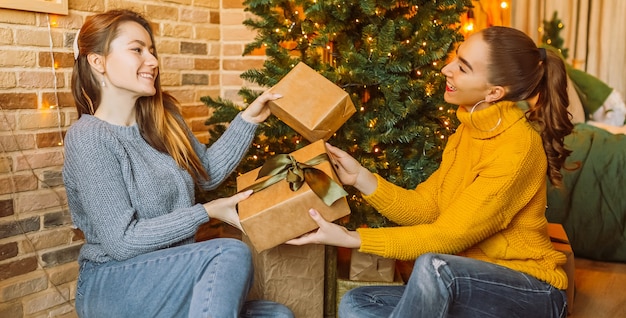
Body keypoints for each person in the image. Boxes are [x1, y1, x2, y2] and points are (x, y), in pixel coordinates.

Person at [287, 26, 574, 317]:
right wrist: (360, 178)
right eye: (455, 58)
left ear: (494, 92)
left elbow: (446, 237)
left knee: (436, 266)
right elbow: (428, 208)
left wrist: (353, 239)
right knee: (359, 301)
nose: (446, 69)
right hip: (466, 285)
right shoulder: (467, 132)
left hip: (531, 292)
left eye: (462, 68)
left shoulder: (518, 147)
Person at [63, 9, 293, 318]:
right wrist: (206, 212)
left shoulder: (162, 118)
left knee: (277, 315)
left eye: (152, 51)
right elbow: (121, 242)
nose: (153, 61)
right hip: (112, 281)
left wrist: (248, 120)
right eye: (137, 50)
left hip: (172, 274)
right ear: (98, 61)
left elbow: (206, 173)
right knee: (229, 251)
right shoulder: (89, 137)